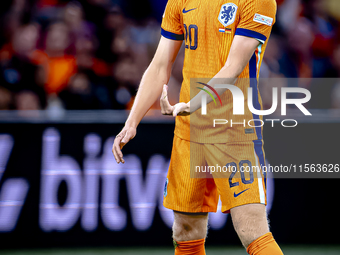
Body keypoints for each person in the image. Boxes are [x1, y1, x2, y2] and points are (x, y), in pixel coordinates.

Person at [113, 0, 283, 254]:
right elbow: (160, 65)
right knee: (185, 230)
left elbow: (233, 67)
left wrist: (194, 103)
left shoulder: (258, 2)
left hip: (234, 128)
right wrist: (132, 121)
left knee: (251, 229)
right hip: (189, 130)